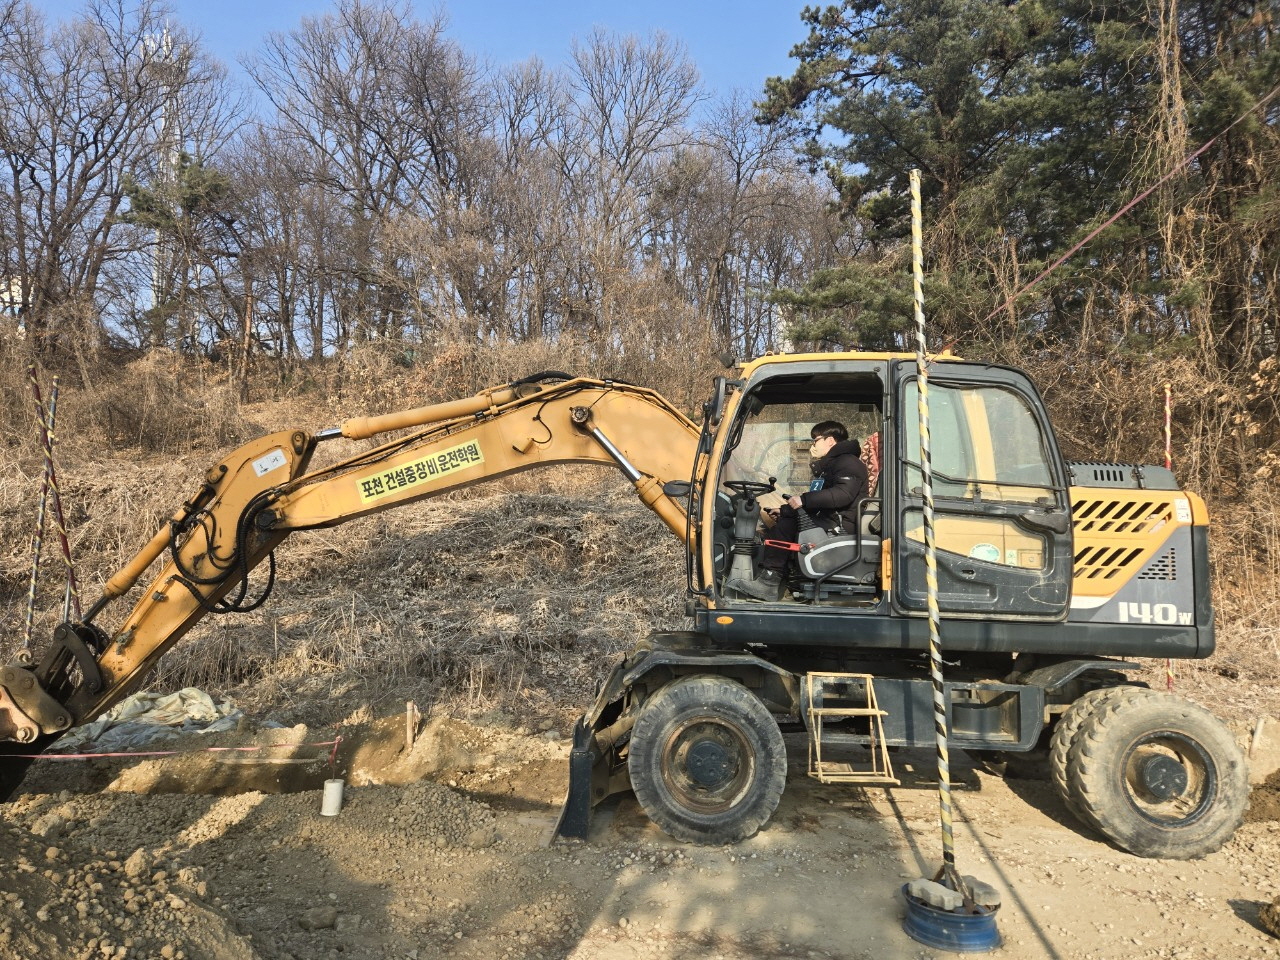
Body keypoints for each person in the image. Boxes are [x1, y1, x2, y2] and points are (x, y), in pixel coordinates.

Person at [727, 421, 869, 601]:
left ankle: (769, 582)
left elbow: (842, 494)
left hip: (840, 526)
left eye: (815, 440)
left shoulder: (848, 463)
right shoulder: (833, 465)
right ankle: (783, 582)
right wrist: (785, 510)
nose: (812, 446)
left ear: (830, 441)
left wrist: (803, 500)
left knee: (787, 526)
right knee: (783, 521)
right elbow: (820, 502)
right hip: (830, 519)